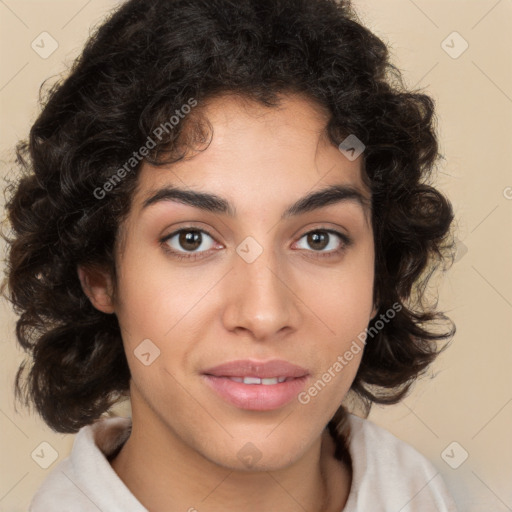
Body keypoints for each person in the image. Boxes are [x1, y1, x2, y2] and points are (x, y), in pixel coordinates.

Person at [2, 0, 458, 510]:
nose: (264, 314)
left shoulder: (418, 490)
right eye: (191, 238)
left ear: (380, 271)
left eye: (319, 238)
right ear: (100, 274)